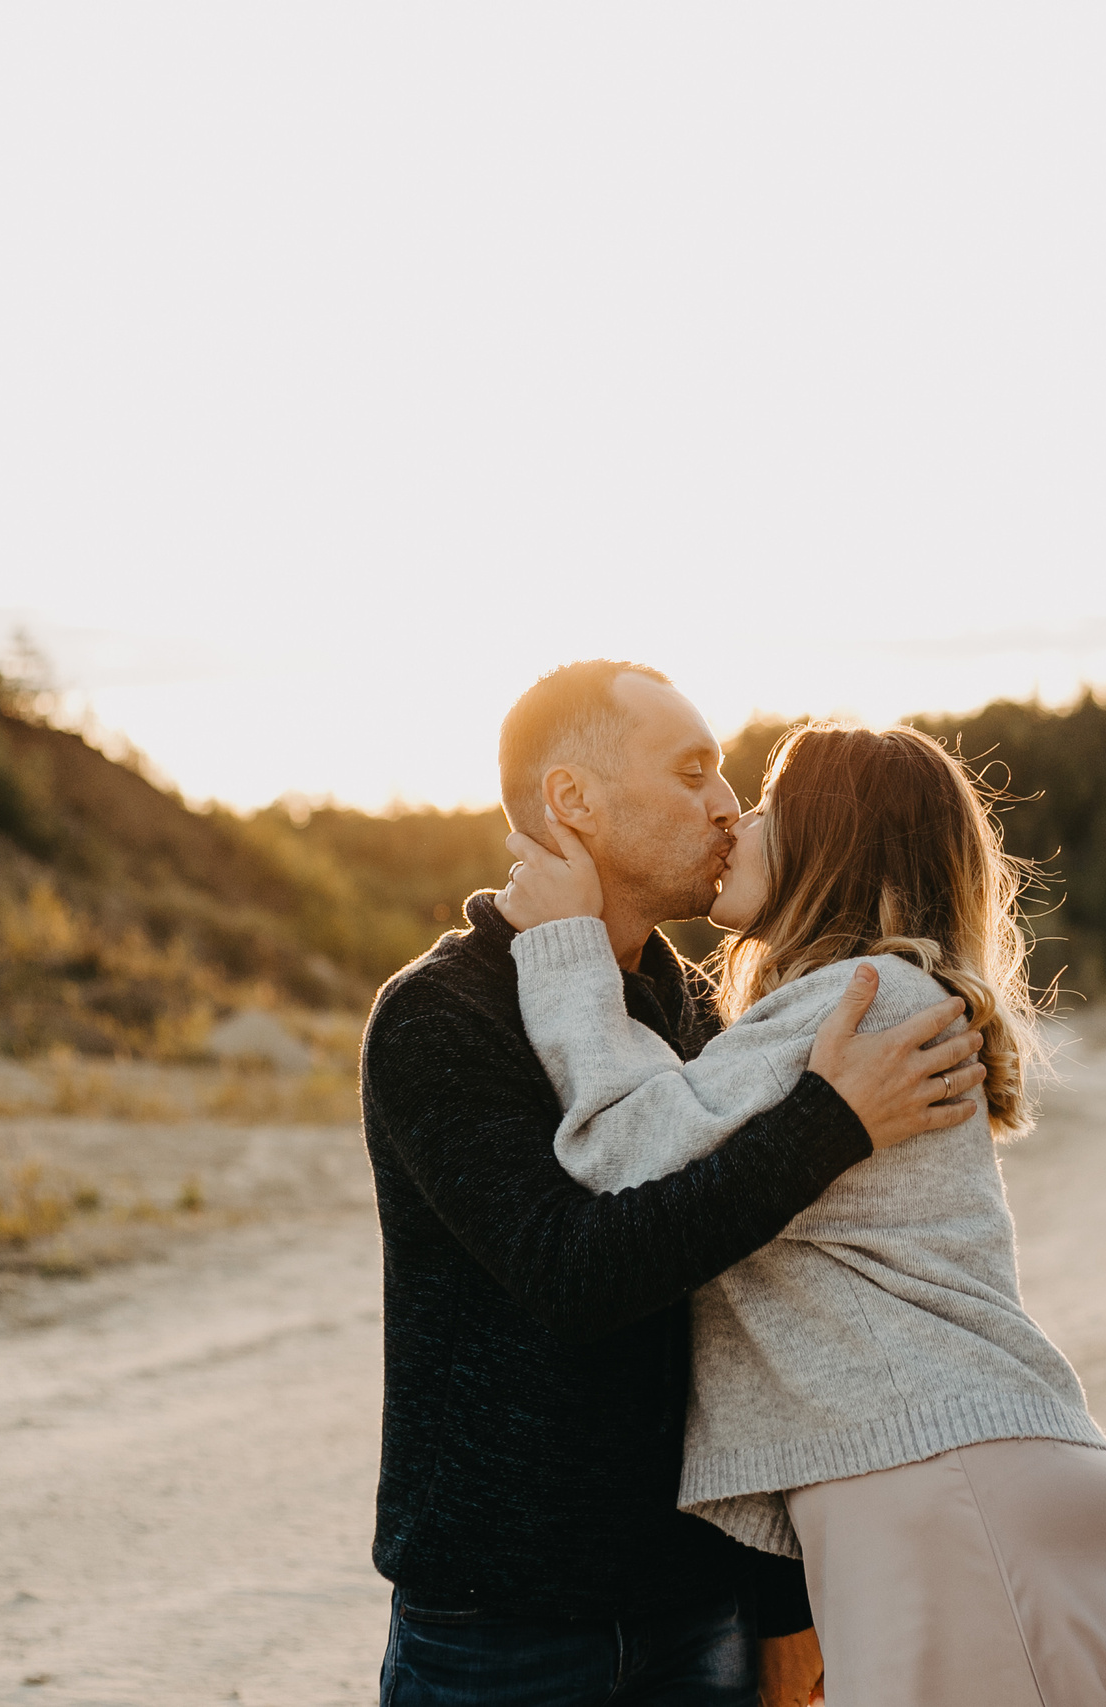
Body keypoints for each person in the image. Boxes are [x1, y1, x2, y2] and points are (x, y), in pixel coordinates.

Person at [498, 720, 1106, 1707]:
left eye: (770, 803)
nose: (734, 817)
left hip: (944, 1487)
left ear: (832, 841)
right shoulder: (872, 1000)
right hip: (974, 1480)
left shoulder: (860, 999)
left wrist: (566, 950)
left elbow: (623, 1150)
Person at [360, 661, 989, 1706]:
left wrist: (781, 1614)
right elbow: (575, 1270)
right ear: (573, 803)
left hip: (701, 1614)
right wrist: (826, 1126)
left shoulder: (692, 1010)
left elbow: (745, 1317)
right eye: (692, 772)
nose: (728, 805)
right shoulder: (442, 1015)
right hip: (501, 1624)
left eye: (725, 774)